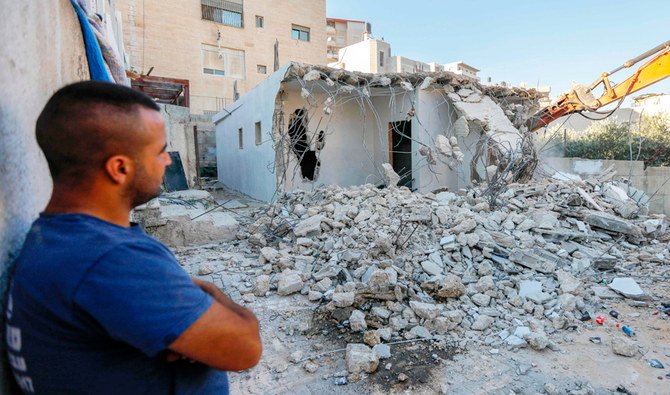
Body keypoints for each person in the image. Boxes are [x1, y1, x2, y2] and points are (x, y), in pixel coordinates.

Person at [5, 81, 262, 394]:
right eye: (160, 152)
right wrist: (209, 294)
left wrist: (177, 297)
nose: (168, 161)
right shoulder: (110, 260)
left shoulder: (55, 237)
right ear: (119, 168)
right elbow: (246, 347)